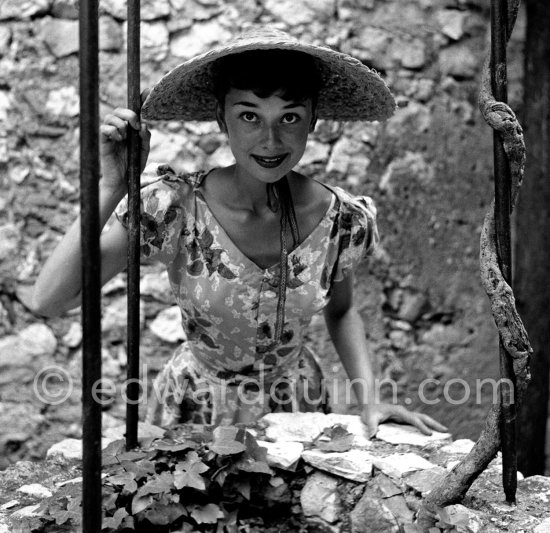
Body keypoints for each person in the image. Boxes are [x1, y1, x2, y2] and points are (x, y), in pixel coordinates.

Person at [29, 28, 447, 437]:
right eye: (249, 115)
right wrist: (112, 185)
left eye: (290, 117)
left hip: (295, 412)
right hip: (193, 413)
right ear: (221, 119)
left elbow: (341, 311)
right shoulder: (176, 208)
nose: (270, 139)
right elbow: (50, 299)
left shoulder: (341, 220)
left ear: (313, 121)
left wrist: (368, 400)